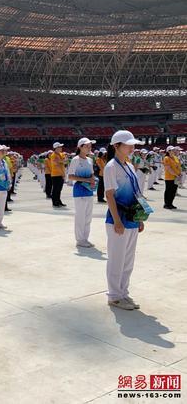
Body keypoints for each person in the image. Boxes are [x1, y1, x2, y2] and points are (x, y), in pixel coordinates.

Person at [104, 130, 146, 310]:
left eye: (133, 144)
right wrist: (117, 221)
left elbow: (137, 193)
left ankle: (123, 292)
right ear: (116, 146)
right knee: (117, 258)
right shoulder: (111, 167)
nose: (132, 147)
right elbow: (109, 195)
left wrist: (140, 218)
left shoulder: (129, 166)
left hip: (132, 218)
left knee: (128, 259)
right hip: (118, 219)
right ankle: (114, 295)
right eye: (128, 144)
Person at [68, 138, 97, 248]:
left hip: (89, 191)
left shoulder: (89, 160)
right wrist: (86, 180)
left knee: (88, 217)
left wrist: (93, 180)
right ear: (80, 147)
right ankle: (80, 239)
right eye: (87, 146)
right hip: (79, 190)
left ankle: (85, 238)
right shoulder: (75, 160)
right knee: (80, 216)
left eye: (90, 146)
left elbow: (92, 174)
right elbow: (70, 176)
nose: (89, 148)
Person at [50, 142, 67, 207]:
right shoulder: (53, 155)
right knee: (55, 189)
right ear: (56, 148)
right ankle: (55, 202)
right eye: (59, 147)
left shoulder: (60, 154)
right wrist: (62, 161)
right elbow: (56, 164)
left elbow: (65, 161)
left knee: (59, 189)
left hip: (61, 174)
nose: (61, 148)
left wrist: (62, 161)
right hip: (56, 174)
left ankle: (58, 201)